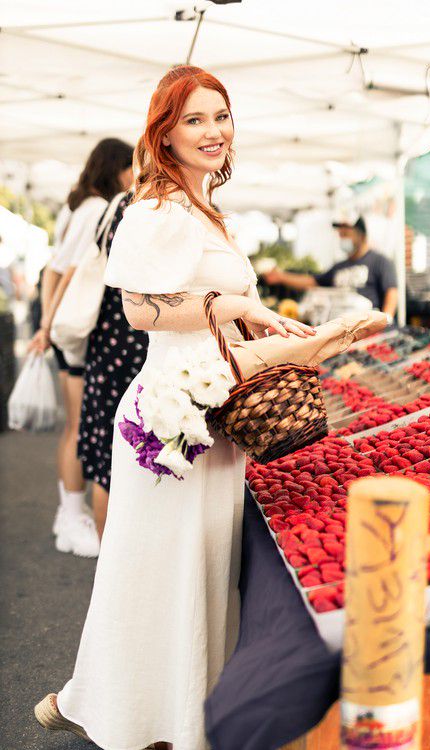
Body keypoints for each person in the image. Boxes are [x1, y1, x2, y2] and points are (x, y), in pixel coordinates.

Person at [34, 66, 385, 750]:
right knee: (160, 574)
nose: (212, 131)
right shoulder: (156, 210)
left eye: (220, 116)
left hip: (212, 412)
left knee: (188, 575)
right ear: (163, 132)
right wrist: (238, 306)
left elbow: (213, 318)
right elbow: (139, 311)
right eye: (193, 119)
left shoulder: (202, 210)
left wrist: (269, 330)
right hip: (169, 419)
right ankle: (139, 715)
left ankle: (140, 707)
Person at [28, 138, 134, 557]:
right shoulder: (95, 209)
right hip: (79, 331)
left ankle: (70, 514)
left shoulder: (79, 206)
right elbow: (63, 270)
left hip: (71, 328)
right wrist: (47, 325)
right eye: (130, 167)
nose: (134, 176)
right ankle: (73, 517)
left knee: (79, 426)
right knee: (79, 426)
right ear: (115, 168)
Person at [77, 191, 148, 538]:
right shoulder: (155, 209)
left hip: (106, 343)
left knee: (108, 447)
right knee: (142, 451)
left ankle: (106, 554)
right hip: (140, 343)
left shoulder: (115, 205)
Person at [264, 216, 398, 320]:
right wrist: (281, 277)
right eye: (340, 235)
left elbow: (391, 292)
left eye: (346, 234)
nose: (342, 239)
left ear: (361, 235)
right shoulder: (339, 267)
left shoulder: (380, 261)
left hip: (369, 326)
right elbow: (312, 282)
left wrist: (386, 320)